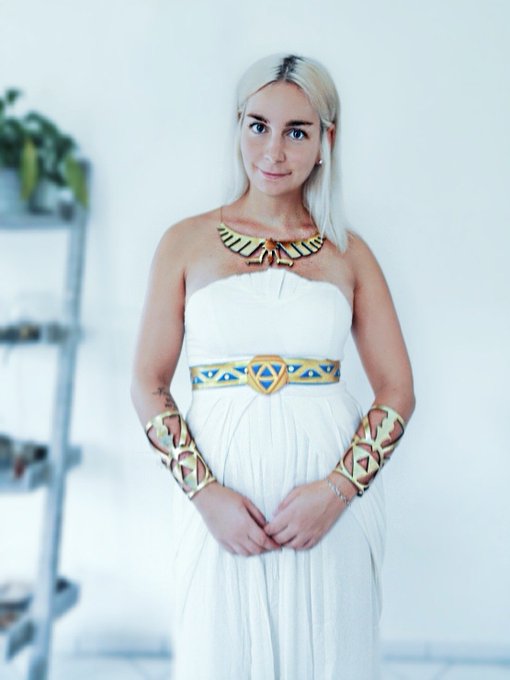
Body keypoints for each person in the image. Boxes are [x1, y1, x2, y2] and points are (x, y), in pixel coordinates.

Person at [130, 53, 415, 680]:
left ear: (326, 141)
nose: (274, 151)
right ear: (237, 125)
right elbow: (148, 384)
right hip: (219, 507)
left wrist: (336, 493)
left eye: (297, 131)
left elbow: (397, 390)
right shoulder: (185, 242)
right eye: (258, 125)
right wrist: (206, 496)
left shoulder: (349, 254)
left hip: (331, 512)